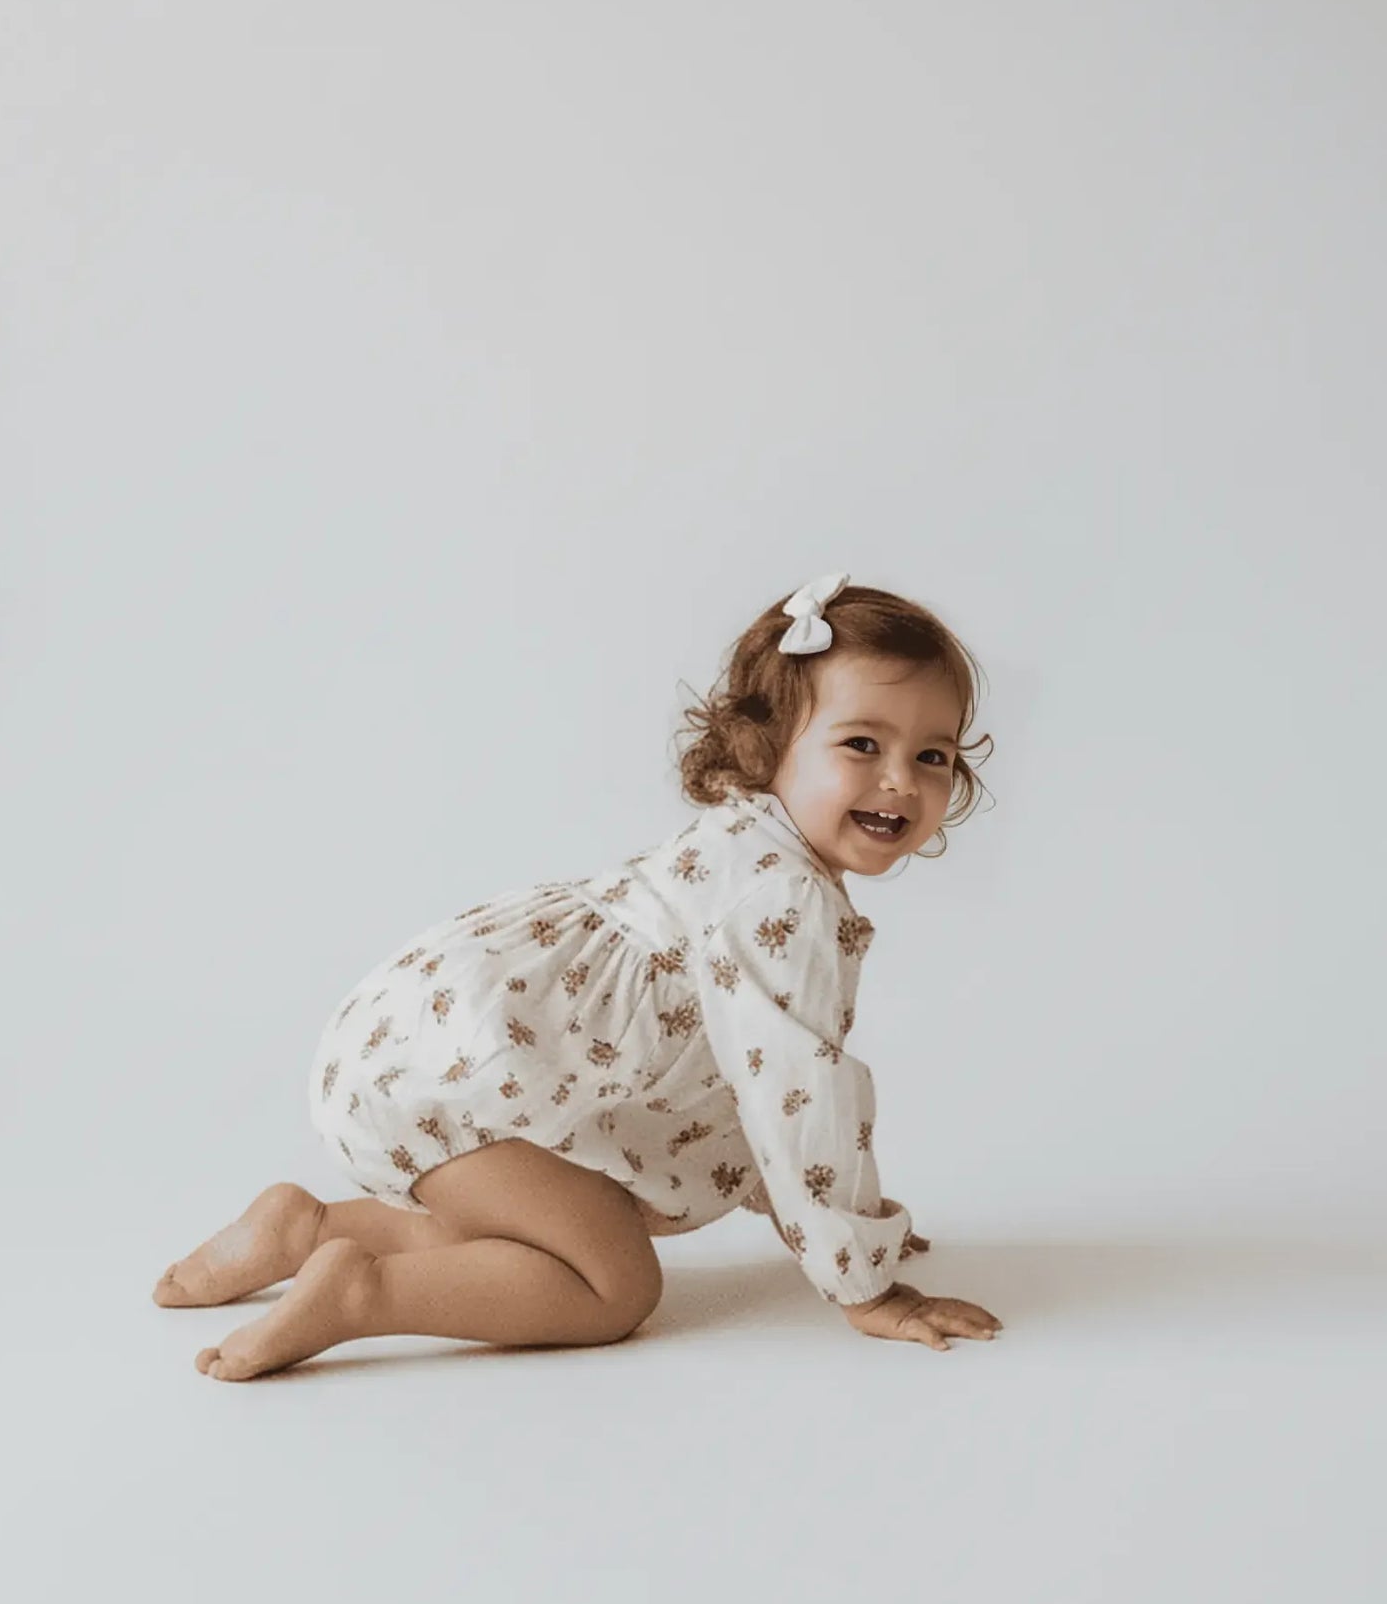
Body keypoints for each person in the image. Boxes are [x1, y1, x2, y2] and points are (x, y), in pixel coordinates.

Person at [154, 572, 1004, 1379]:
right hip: (478, 1084)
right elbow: (796, 1093)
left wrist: (846, 1223)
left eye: (932, 756)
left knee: (536, 1224)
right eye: (862, 744)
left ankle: (301, 1231)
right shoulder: (782, 900)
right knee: (611, 1287)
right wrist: (863, 1277)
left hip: (427, 1052)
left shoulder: (741, 848)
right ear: (766, 745)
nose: (900, 780)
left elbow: (756, 1085)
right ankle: (360, 1293)